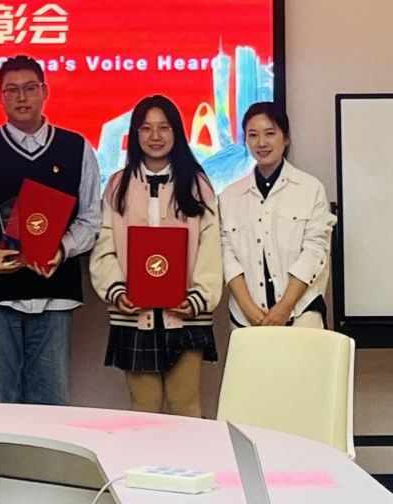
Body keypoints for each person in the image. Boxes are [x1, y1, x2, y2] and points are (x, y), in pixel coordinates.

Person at [0, 54, 101, 405]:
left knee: (51, 405)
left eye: (29, 88)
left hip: (54, 294)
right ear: (0, 96)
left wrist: (63, 249)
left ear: (45, 91)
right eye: (11, 90)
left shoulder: (76, 148)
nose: (21, 97)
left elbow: (91, 217)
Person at [90, 94, 222, 418]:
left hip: (186, 313)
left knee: (185, 407)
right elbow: (104, 245)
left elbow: (211, 246)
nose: (155, 136)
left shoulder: (197, 184)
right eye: (146, 128)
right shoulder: (118, 185)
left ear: (177, 132)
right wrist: (116, 291)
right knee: (144, 410)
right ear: (135, 134)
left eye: (164, 128)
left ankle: (192, 456)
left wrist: (199, 297)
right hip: (134, 314)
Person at [219, 102, 336, 329]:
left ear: (286, 137)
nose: (261, 143)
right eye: (253, 135)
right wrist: (247, 307)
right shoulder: (228, 196)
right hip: (246, 318)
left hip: (301, 313)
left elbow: (314, 251)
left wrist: (284, 307)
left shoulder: (310, 188)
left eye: (270, 133)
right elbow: (226, 255)